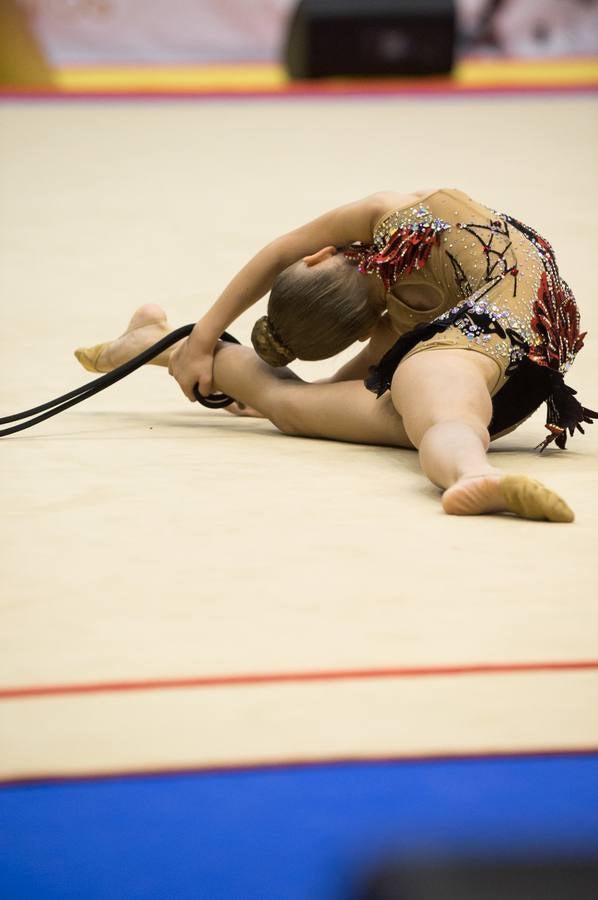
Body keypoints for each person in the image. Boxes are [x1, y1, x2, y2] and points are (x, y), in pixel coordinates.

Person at [74, 188, 596, 523]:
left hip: (484, 359)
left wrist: (208, 335)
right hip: (518, 382)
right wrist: (212, 341)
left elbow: (283, 252)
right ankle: (155, 344)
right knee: (309, 408)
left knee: (290, 403)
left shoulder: (400, 218)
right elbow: (371, 371)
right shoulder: (404, 307)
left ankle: (162, 343)